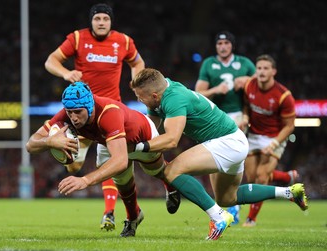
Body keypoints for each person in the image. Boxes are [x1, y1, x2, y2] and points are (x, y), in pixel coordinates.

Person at [130, 68, 308, 240]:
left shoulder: (173, 99)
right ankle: (290, 193)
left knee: (172, 172)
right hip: (231, 141)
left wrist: (136, 148)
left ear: (154, 95)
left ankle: (218, 217)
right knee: (228, 198)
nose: (139, 100)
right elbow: (150, 129)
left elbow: (171, 140)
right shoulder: (160, 94)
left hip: (226, 143)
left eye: (140, 97)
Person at [44, 3, 168, 231]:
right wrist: (66, 72)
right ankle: (115, 204)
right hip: (79, 113)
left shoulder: (124, 41)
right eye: (97, 18)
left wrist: (136, 79)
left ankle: (109, 212)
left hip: (109, 113)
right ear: (91, 21)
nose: (101, 22)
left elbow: (137, 62)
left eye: (105, 19)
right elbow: (50, 61)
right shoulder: (77, 39)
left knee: (110, 161)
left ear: (111, 22)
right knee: (72, 166)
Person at [26, 82, 180, 237]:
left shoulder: (108, 113)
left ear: (90, 106)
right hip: (110, 141)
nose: (73, 118)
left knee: (156, 170)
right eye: (69, 112)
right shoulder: (69, 112)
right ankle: (134, 217)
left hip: (141, 137)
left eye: (78, 112)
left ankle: (170, 185)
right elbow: (30, 145)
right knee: (122, 181)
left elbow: (121, 161)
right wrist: (48, 141)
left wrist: (85, 180)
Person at [195, 31, 298, 224]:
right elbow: (198, 94)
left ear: (232, 45)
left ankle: (235, 209)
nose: (223, 46)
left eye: (226, 43)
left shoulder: (246, 64)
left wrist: (247, 86)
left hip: (238, 121)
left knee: (238, 165)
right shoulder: (208, 64)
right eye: (219, 43)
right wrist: (215, 90)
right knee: (219, 164)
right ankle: (282, 179)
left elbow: (257, 87)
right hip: (214, 118)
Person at [236, 54, 297, 227]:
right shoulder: (249, 85)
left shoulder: (284, 96)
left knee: (261, 178)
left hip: (274, 137)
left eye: (265, 68)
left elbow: (289, 126)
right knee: (251, 176)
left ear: (273, 71)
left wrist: (275, 143)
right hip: (254, 136)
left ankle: (251, 219)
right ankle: (285, 177)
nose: (261, 71)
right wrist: (245, 118)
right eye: (259, 68)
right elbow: (247, 106)